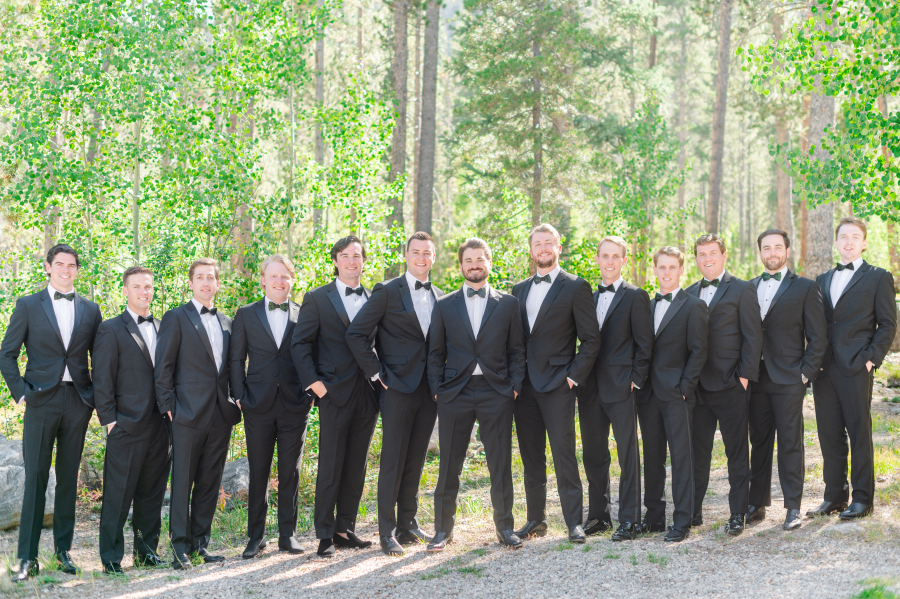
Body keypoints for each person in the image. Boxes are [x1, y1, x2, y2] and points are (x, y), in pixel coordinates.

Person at [0, 244, 102, 581]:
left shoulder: (91, 309)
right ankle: (27, 559)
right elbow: (6, 354)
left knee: (68, 479)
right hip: (40, 402)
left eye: (72, 265)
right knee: (36, 478)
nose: (66, 270)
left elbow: (100, 361)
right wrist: (20, 394)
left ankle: (63, 552)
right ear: (48, 267)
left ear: (77, 269)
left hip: (78, 402)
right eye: (60, 264)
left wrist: (95, 400)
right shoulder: (28, 305)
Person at [346, 232, 444, 556]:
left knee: (415, 459)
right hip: (397, 388)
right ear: (407, 256)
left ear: (433, 257)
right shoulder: (387, 291)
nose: (420, 258)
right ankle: (386, 532)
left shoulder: (441, 296)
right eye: (415, 252)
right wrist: (376, 373)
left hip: (428, 391)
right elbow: (357, 333)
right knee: (393, 460)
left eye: (426, 253)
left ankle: (408, 524)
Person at [426, 238, 526, 551]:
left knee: (500, 464)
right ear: (461, 265)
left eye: (479, 259)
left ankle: (505, 529)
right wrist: (437, 390)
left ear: (489, 262)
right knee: (449, 466)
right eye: (468, 260)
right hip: (454, 393)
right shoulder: (444, 305)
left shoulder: (508, 304)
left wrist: (514, 386)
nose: (474, 265)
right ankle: (443, 531)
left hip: (496, 391)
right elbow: (435, 352)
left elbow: (517, 350)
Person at [510, 224, 599, 543]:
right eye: (538, 243)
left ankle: (574, 521)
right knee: (531, 456)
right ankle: (536, 519)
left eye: (549, 243)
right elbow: (516, 340)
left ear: (559, 248)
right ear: (531, 250)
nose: (543, 248)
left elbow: (590, 339)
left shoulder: (576, 286)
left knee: (564, 455)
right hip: (525, 389)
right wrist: (513, 380)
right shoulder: (518, 290)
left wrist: (573, 377)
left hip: (560, 385)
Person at [291, 236, 379, 557]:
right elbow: (300, 345)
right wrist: (315, 385)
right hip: (332, 393)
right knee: (331, 465)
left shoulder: (374, 298)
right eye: (346, 256)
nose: (352, 261)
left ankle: (345, 529)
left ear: (363, 261)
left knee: (356, 466)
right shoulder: (317, 298)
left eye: (357, 256)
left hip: (367, 396)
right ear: (336, 261)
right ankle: (325, 535)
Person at [155, 258, 241, 569]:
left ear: (218, 284)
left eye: (211, 278)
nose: (206, 282)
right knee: (182, 483)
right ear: (190, 283)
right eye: (200, 277)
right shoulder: (176, 317)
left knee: (209, 481)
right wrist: (169, 408)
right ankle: (179, 549)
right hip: (185, 415)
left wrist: (237, 399)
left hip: (220, 415)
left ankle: (200, 543)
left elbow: (231, 369)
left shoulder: (228, 323)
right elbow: (162, 367)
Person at [809, 217, 897, 520]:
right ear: (835, 242)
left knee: (859, 434)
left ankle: (862, 499)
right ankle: (834, 496)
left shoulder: (879, 277)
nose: (848, 242)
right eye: (843, 236)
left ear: (864, 242)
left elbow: (887, 325)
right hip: (824, 370)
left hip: (857, 366)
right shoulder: (821, 280)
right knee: (829, 435)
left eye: (855, 237)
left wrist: (870, 359)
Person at [229, 255, 310, 559]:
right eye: (273, 276)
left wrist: (310, 395)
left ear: (292, 280)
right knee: (259, 470)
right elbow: (236, 358)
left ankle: (288, 535)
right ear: (263, 280)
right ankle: (255, 537)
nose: (279, 282)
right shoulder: (246, 314)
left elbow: (311, 357)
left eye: (285, 276)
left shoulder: (304, 314)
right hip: (257, 404)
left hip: (294, 404)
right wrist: (239, 395)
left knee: (290, 472)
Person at [746, 230, 827, 530]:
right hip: (756, 378)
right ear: (760, 252)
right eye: (766, 247)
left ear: (788, 251)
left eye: (777, 247)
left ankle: (793, 507)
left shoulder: (805, 287)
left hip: (790, 378)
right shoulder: (748, 287)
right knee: (759, 441)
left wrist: (805, 374)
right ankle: (756, 504)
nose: (772, 252)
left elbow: (818, 338)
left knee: (791, 443)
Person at [94, 266, 171, 573]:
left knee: (152, 494)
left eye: (148, 286)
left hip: (161, 426)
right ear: (125, 290)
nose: (144, 291)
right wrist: (110, 421)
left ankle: (146, 552)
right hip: (125, 424)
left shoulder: (165, 326)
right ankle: (111, 559)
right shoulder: (110, 329)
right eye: (137, 286)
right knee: (117, 494)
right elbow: (101, 379)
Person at [576, 236, 653, 541]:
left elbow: (645, 345)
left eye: (615, 256)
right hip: (590, 388)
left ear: (624, 260)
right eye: (604, 256)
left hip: (622, 387)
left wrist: (636, 379)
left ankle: (630, 519)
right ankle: (598, 516)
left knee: (627, 454)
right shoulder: (586, 297)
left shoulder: (636, 296)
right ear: (597, 259)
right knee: (594, 454)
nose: (609, 261)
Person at [685, 234, 762, 536]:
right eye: (701, 254)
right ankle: (692, 511)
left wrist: (743, 377)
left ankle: (737, 514)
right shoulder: (688, 294)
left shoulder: (743, 289)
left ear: (724, 255)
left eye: (712, 253)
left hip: (731, 384)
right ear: (696, 259)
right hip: (697, 389)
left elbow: (753, 337)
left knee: (736, 452)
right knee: (696, 453)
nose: (707, 259)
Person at [637, 246, 708, 543]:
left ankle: (683, 520)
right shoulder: (646, 306)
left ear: (681, 270)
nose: (666, 272)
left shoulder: (693, 305)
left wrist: (684, 389)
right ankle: (653, 517)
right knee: (653, 458)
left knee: (681, 459)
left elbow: (699, 351)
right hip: (648, 394)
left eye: (671, 267)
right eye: (661, 267)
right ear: (654, 270)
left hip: (677, 394)